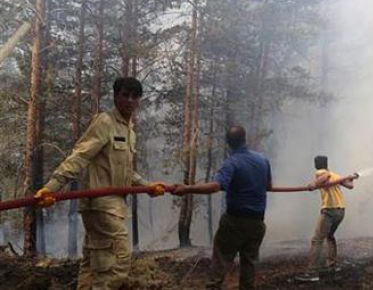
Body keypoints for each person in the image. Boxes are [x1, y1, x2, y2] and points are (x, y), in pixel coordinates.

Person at [34, 77, 166, 290]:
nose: (130, 100)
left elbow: (126, 172)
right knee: (119, 258)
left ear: (139, 100)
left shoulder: (129, 132)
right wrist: (52, 187)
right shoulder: (105, 122)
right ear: (115, 96)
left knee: (94, 260)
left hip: (113, 206)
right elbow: (80, 156)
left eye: (135, 96)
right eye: (125, 95)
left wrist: (147, 187)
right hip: (101, 204)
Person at [172, 125, 272, 290]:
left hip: (234, 222)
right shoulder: (262, 160)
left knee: (221, 261)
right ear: (244, 138)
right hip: (257, 223)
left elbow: (215, 186)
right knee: (249, 265)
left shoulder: (231, 162)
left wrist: (187, 188)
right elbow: (268, 186)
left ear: (228, 144)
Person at [296, 155, 355, 282]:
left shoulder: (322, 172)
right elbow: (350, 186)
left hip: (329, 210)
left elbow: (324, 177)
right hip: (341, 211)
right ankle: (331, 266)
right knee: (329, 236)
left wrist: (314, 184)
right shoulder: (335, 175)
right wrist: (351, 179)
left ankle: (312, 273)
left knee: (317, 240)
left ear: (316, 164)